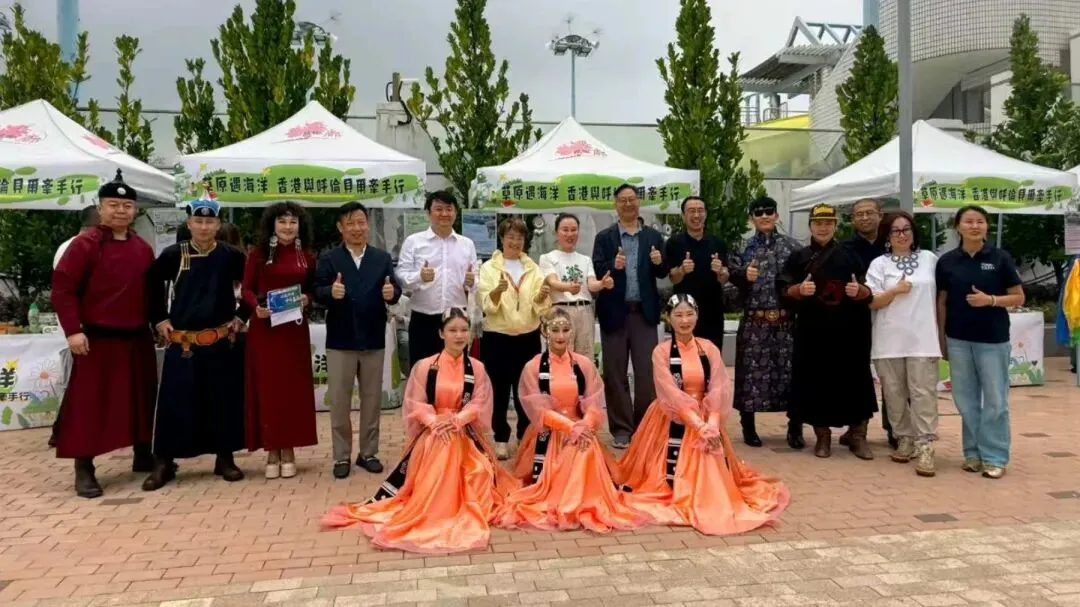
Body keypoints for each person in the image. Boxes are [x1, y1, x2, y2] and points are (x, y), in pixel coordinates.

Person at [322, 308, 518, 553]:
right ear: (441, 333)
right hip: (434, 431)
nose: (459, 336)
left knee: (477, 471)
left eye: (464, 330)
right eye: (453, 330)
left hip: (463, 430)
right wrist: (434, 421)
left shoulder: (476, 368)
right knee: (441, 454)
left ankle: (455, 503)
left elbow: (480, 401)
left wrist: (458, 420)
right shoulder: (426, 366)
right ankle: (438, 505)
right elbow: (415, 402)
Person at [617, 294, 789, 535]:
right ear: (668, 318)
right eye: (678, 315)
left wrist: (713, 423)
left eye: (689, 314)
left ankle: (712, 495)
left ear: (697, 316)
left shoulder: (708, 348)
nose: (684, 320)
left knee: (712, 457)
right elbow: (669, 392)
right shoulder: (661, 352)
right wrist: (698, 425)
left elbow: (718, 387)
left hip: (707, 415)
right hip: (672, 415)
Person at [50, 170, 156, 498]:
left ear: (135, 210)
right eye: (114, 205)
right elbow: (63, 290)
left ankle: (143, 454)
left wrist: (159, 323)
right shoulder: (84, 245)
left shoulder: (142, 248)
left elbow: (151, 293)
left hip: (137, 336)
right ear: (100, 208)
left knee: (142, 398)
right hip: (97, 339)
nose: (121, 210)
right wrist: (73, 331)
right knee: (90, 405)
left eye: (127, 205)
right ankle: (84, 467)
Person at [497, 308, 648, 533]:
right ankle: (569, 502)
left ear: (572, 332)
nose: (561, 335)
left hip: (581, 429)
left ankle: (582, 501)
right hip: (549, 431)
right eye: (555, 330)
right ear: (544, 331)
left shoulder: (583, 364)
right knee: (576, 452)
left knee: (584, 450)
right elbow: (539, 410)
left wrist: (584, 425)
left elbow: (593, 403)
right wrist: (570, 428)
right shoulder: (533, 366)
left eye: (566, 330)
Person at [142, 195, 249, 490]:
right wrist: (159, 319)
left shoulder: (231, 255)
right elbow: (151, 285)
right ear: (189, 224)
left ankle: (225, 458)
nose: (204, 227)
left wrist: (242, 315)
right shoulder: (173, 254)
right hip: (183, 343)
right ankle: (164, 462)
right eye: (198, 221)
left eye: (209, 222)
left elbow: (253, 285)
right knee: (174, 404)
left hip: (220, 341)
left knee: (222, 402)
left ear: (218, 224)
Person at [777, 203, 877, 459]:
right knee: (815, 382)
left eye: (828, 223)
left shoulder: (851, 254)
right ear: (810, 225)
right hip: (814, 331)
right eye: (818, 223)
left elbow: (870, 287)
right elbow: (782, 288)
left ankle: (858, 435)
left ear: (835, 226)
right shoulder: (799, 257)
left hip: (850, 331)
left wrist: (860, 291)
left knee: (855, 381)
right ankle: (822, 436)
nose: (823, 228)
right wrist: (798, 290)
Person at [936, 205, 1024, 480]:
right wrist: (942, 338)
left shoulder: (1000, 258)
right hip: (958, 340)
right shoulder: (947, 261)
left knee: (995, 400)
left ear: (986, 226)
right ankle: (973, 454)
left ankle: (995, 457)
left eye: (980, 222)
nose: (975, 226)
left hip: (993, 340)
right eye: (969, 221)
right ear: (958, 227)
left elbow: (1019, 297)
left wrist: (991, 300)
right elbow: (941, 302)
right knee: (965, 400)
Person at [313, 202, 401, 479]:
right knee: (339, 402)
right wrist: (330, 292)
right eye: (350, 223)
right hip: (341, 340)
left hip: (373, 338)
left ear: (368, 225)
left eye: (361, 222)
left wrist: (392, 293)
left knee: (372, 400)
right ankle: (341, 456)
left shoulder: (381, 258)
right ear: (340, 227)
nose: (357, 228)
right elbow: (316, 291)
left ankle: (368, 453)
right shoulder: (330, 259)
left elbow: (394, 288)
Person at [243, 202, 318, 479]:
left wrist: (307, 298)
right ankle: (271, 450)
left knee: (292, 391)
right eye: (282, 222)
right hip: (265, 331)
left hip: (294, 331)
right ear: (272, 225)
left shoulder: (306, 256)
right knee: (268, 389)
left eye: (293, 222)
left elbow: (313, 289)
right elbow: (246, 289)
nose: (288, 227)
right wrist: (256, 307)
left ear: (300, 226)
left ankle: (289, 449)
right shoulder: (258, 254)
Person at [592, 184, 668, 449]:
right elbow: (597, 269)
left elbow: (663, 272)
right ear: (616, 204)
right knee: (615, 374)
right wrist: (613, 266)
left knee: (647, 373)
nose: (628, 204)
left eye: (632, 199)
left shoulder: (653, 237)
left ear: (639, 203)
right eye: (622, 200)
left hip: (643, 315)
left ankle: (644, 427)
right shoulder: (604, 238)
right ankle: (622, 429)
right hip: (614, 313)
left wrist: (659, 262)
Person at [866, 211, 941, 476]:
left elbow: (943, 296)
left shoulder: (929, 259)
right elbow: (872, 302)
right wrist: (894, 291)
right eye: (895, 231)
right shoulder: (879, 264)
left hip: (923, 339)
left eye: (906, 229)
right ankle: (904, 438)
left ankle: (925, 445)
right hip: (888, 340)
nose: (901, 235)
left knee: (923, 394)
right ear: (887, 236)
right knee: (894, 394)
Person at [728, 196, 803, 449]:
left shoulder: (793, 247)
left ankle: (795, 428)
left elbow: (803, 279)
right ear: (752, 218)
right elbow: (728, 280)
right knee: (749, 376)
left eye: (769, 211)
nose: (764, 216)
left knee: (791, 376)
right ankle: (748, 427)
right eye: (758, 213)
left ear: (776, 215)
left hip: (785, 323)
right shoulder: (742, 246)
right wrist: (743, 275)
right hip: (754, 321)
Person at [477, 217, 551, 459]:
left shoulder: (533, 268)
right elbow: (485, 304)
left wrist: (541, 296)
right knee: (498, 389)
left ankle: (523, 436)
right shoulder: (489, 268)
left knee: (526, 389)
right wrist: (497, 292)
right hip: (497, 337)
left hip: (528, 337)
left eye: (519, 237)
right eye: (510, 237)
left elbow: (541, 306)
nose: (515, 242)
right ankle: (500, 438)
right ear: (501, 238)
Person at [396, 190, 477, 368]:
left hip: (456, 320)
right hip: (423, 319)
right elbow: (401, 276)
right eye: (438, 209)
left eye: (449, 209)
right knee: (422, 370)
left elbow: (475, 280)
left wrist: (472, 282)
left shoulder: (467, 244)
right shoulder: (414, 242)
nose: (444, 214)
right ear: (428, 213)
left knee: (455, 371)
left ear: (455, 212)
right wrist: (419, 276)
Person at [843, 198, 896, 450]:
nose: (865, 218)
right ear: (853, 219)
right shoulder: (845, 249)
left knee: (893, 374)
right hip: (858, 318)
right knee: (857, 374)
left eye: (869, 213)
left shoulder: (894, 243)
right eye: (859, 214)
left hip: (893, 316)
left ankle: (895, 428)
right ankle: (857, 429)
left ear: (880, 215)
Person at [48, 205, 100, 448]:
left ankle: (62, 431)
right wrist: (75, 328)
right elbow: (66, 290)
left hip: (80, 325)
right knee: (79, 382)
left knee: (80, 381)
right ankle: (61, 432)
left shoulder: (69, 245)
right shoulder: (77, 246)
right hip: (80, 327)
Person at [538, 213, 608, 359]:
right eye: (565, 230)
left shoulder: (585, 259)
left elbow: (591, 284)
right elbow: (553, 281)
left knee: (585, 357)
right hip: (560, 311)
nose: (570, 234)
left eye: (574, 230)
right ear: (556, 232)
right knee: (561, 356)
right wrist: (568, 288)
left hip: (585, 310)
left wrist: (602, 283)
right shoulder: (547, 258)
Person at [665, 196, 730, 349]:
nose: (696, 215)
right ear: (683, 215)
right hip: (683, 313)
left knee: (711, 356)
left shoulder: (718, 243)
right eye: (691, 211)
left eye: (700, 211)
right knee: (683, 357)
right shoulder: (674, 243)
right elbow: (672, 278)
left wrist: (720, 271)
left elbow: (725, 278)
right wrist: (682, 270)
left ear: (705, 214)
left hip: (712, 312)